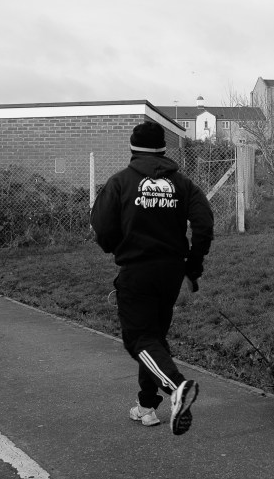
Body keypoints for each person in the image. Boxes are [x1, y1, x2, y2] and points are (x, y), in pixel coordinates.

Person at [91, 121, 214, 436]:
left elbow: (102, 228)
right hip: (171, 272)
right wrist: (193, 263)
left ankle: (177, 388)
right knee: (153, 338)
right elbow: (203, 223)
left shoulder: (120, 182)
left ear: (133, 148)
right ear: (163, 149)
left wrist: (118, 247)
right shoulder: (183, 185)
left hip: (137, 271)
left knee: (138, 339)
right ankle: (146, 407)